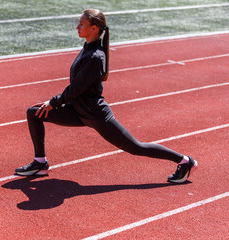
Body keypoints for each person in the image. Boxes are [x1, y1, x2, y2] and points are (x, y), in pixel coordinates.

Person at [15, 9, 198, 183]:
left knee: (135, 147)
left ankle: (184, 161)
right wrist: (53, 104)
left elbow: (76, 89)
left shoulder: (95, 56)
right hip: (78, 111)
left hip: (95, 114)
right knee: (34, 113)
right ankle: (40, 163)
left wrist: (54, 102)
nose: (77, 27)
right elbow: (76, 89)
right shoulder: (88, 48)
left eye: (81, 24)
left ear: (94, 28)